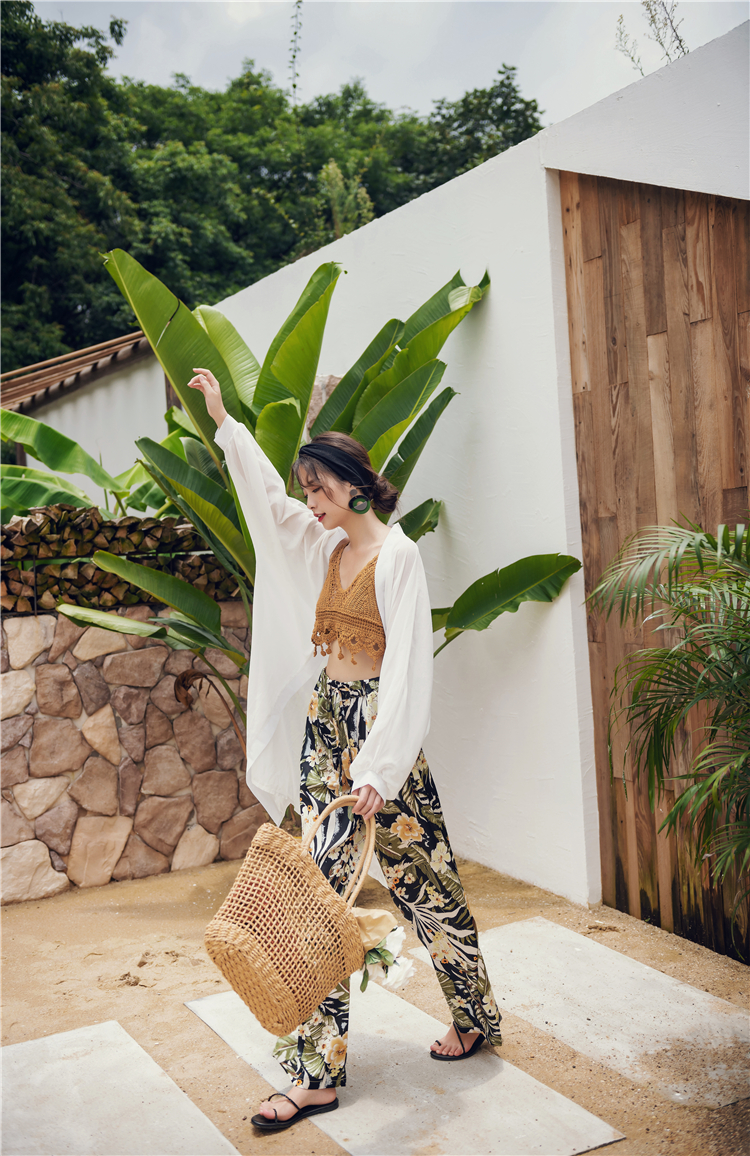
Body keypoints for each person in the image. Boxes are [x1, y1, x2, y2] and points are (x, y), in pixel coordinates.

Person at [188, 367, 503, 1133]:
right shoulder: (322, 547)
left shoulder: (397, 557)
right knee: (315, 898)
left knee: (427, 885)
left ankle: (474, 1017)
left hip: (378, 737)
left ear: (356, 487)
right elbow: (267, 506)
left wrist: (380, 769)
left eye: (320, 489)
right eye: (308, 490)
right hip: (325, 727)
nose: (310, 502)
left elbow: (409, 671)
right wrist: (226, 423)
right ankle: (316, 1075)